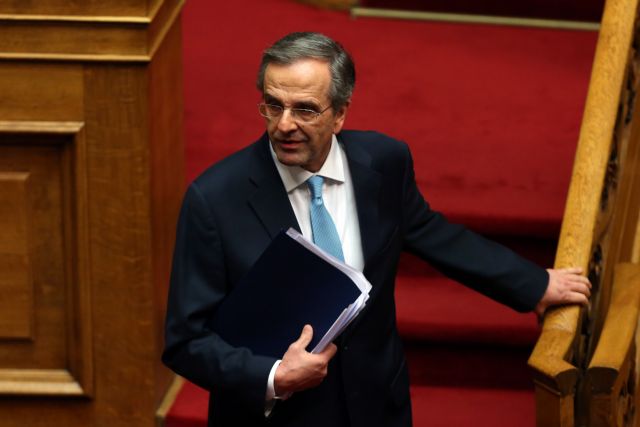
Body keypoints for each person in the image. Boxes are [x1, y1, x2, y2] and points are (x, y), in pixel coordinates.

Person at [162, 32, 591, 427]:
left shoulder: (384, 162)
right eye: (273, 105)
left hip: (377, 405)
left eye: (305, 109)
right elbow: (186, 342)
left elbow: (435, 235)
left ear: (340, 114)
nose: (284, 124)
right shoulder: (215, 199)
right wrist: (273, 375)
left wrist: (533, 284)